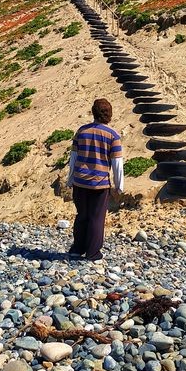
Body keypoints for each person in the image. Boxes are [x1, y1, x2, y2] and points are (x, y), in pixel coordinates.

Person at [66, 98, 124, 261]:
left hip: (80, 181)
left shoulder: (81, 131)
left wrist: (70, 179)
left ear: (93, 112)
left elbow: (73, 158)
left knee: (82, 215)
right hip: (100, 184)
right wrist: (119, 186)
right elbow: (117, 164)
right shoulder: (113, 136)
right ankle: (93, 253)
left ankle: (77, 249)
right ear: (109, 115)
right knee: (96, 218)